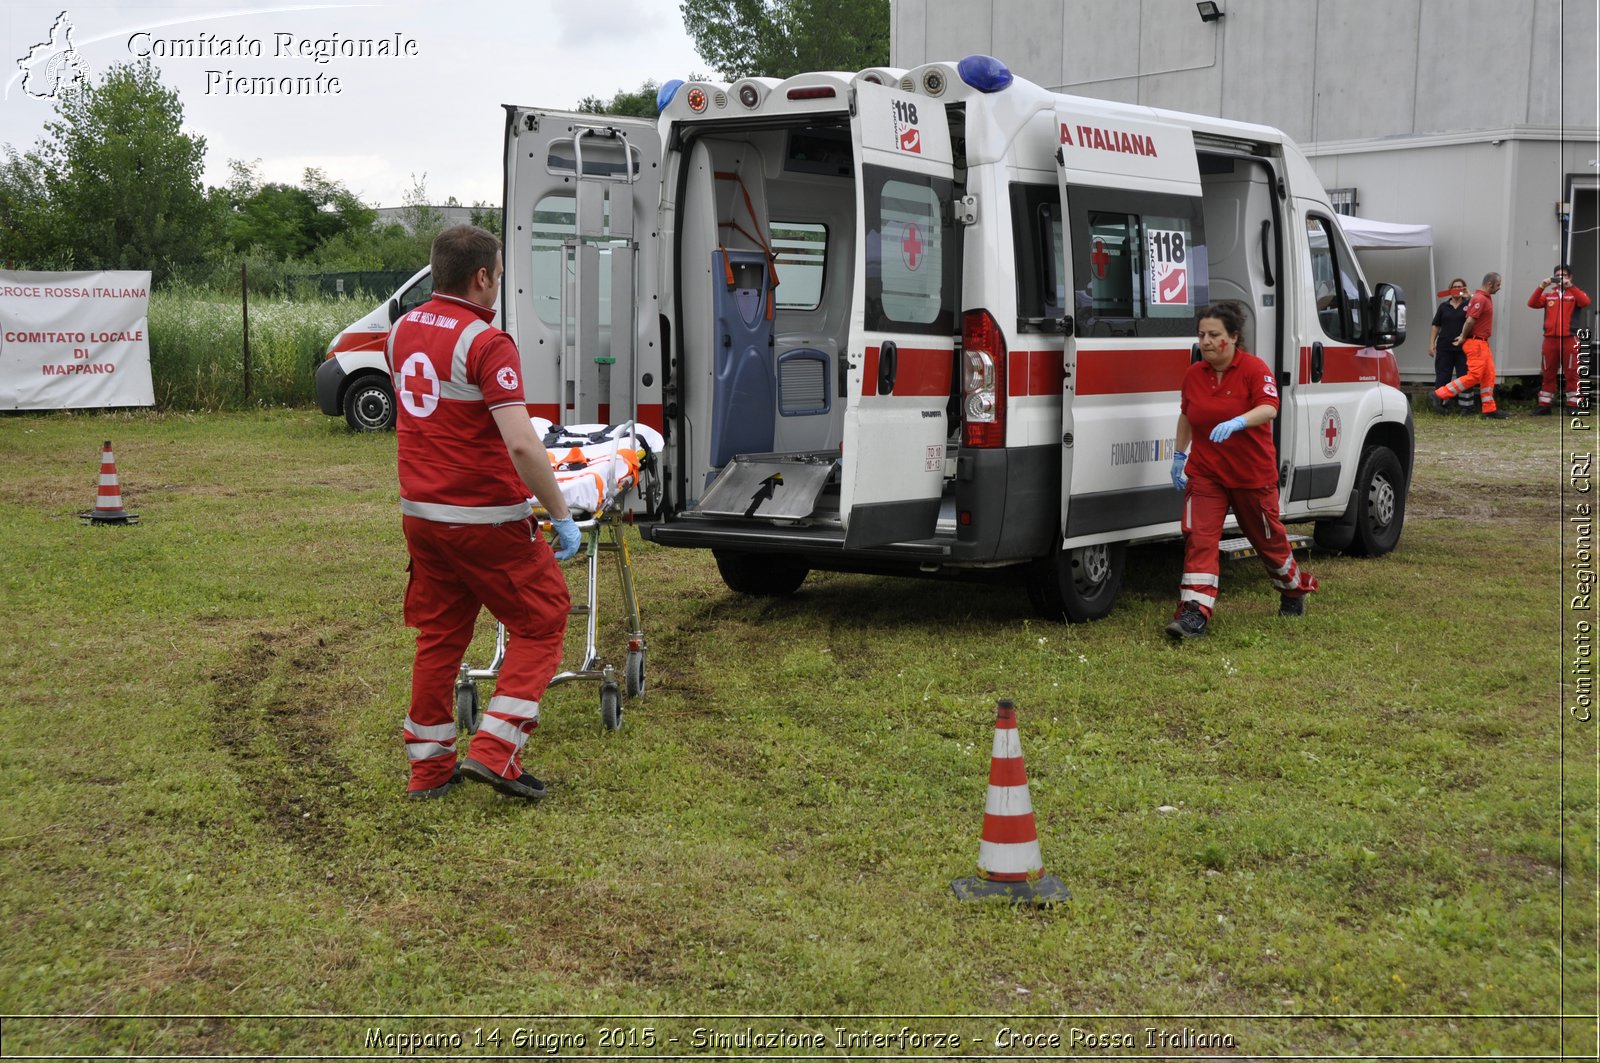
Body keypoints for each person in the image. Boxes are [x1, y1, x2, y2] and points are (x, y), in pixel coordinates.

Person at [387, 224, 582, 801]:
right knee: (543, 617)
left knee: (441, 636)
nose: (498, 283)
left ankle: (428, 769)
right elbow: (522, 444)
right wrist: (559, 512)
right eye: (497, 274)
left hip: (421, 515)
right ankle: (496, 751)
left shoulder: (400, 332)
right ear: (482, 277)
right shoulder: (486, 342)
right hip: (483, 516)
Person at [1166, 301, 1317, 639]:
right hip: (1206, 474)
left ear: (1233, 337)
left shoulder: (1254, 368)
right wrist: (1179, 454)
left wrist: (1238, 421)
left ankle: (1292, 589)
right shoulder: (1194, 374)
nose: (1205, 341)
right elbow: (1187, 415)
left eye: (1214, 335)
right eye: (1201, 334)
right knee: (1200, 539)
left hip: (1251, 476)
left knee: (1269, 542)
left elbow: (1269, 408)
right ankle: (1194, 613)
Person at [1434, 271, 1507, 420]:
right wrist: (1462, 336)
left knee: (1488, 376)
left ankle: (1489, 410)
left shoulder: (1480, 298)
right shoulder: (1481, 298)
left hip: (1482, 343)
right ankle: (1439, 394)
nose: (1499, 288)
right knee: (1474, 376)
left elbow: (1475, 304)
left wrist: (1470, 296)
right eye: (1498, 285)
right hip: (1476, 343)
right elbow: (1470, 321)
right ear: (1489, 284)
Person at [1528, 264, 1591, 414]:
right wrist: (1541, 286)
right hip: (1550, 340)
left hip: (1570, 339)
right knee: (1548, 372)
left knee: (1572, 372)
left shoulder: (1575, 294)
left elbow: (1586, 302)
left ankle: (1573, 405)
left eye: (1563, 275)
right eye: (1557, 275)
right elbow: (1532, 303)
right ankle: (1544, 406)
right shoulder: (1549, 295)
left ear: (1570, 277)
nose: (1560, 278)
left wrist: (1572, 287)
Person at [1428, 279, 1474, 413]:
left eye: (1460, 287)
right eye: (1454, 287)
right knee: (1443, 375)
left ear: (1464, 289)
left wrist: (1469, 295)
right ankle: (1441, 404)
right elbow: (1436, 326)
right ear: (1450, 289)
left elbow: (1478, 308)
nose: (1457, 289)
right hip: (1444, 347)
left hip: (1463, 348)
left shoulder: (1469, 305)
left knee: (1464, 376)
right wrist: (1431, 344)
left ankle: (1466, 407)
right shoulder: (1444, 306)